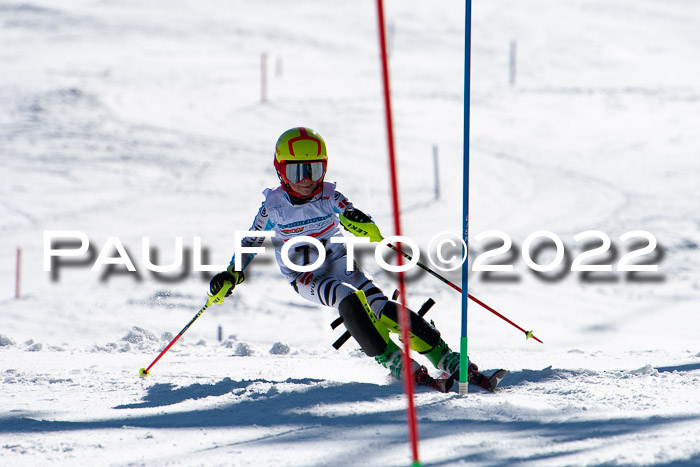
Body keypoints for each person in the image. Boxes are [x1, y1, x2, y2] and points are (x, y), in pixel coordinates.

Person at [209, 127, 492, 391]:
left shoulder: (330, 195)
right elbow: (250, 240)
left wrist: (362, 224)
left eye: (315, 169)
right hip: (305, 275)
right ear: (281, 171)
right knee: (347, 298)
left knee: (380, 305)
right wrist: (232, 273)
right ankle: (393, 360)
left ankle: (445, 357)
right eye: (297, 172)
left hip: (340, 261)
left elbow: (352, 215)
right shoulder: (273, 207)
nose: (307, 179)